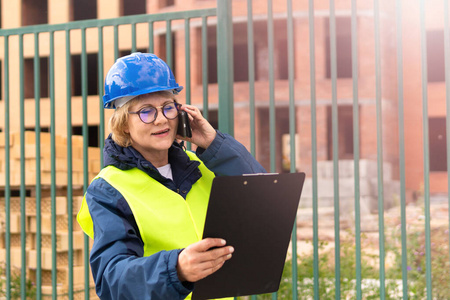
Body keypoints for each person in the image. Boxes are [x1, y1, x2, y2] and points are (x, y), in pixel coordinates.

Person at [77, 52, 266, 300]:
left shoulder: (203, 166)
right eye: (146, 112)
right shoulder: (109, 189)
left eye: (168, 108)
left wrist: (213, 143)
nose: (161, 120)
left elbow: (263, 200)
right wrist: (176, 268)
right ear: (124, 124)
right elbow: (112, 279)